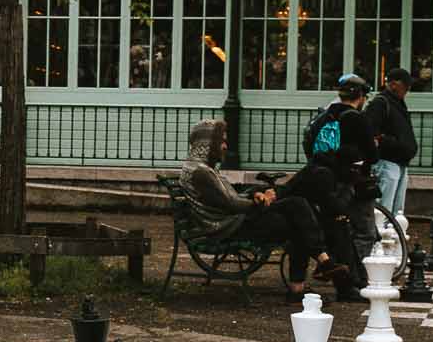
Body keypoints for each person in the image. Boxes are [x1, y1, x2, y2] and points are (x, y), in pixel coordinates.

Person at [177, 121, 348, 304]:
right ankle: (318, 266)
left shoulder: (199, 168)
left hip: (231, 221)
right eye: (221, 142)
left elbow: (227, 198)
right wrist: (260, 201)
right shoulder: (202, 173)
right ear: (206, 144)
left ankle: (317, 269)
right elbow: (231, 203)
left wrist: (256, 194)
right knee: (297, 212)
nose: (225, 146)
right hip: (229, 227)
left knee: (297, 213)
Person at [294, 73, 379, 274]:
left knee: (336, 225)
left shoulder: (323, 116)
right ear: (361, 97)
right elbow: (372, 155)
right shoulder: (358, 119)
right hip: (354, 181)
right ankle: (357, 275)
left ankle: (331, 264)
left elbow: (310, 145)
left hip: (327, 182)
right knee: (364, 231)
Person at [366, 67, 417, 217]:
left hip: (399, 162)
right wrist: (389, 142)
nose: (407, 89)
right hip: (387, 162)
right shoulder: (381, 103)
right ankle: (382, 237)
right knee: (384, 209)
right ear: (394, 84)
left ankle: (392, 236)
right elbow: (371, 132)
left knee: (396, 211)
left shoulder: (397, 103)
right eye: (405, 85)